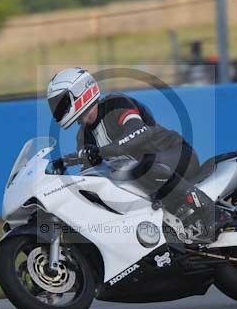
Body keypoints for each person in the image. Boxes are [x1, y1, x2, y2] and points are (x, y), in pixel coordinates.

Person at [47, 67, 216, 243]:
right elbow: (90, 176)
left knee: (138, 166)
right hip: (151, 179)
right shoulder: (83, 136)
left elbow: (140, 132)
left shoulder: (116, 104)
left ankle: (205, 205)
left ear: (80, 91)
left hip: (177, 155)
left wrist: (103, 151)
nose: (59, 110)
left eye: (62, 103)